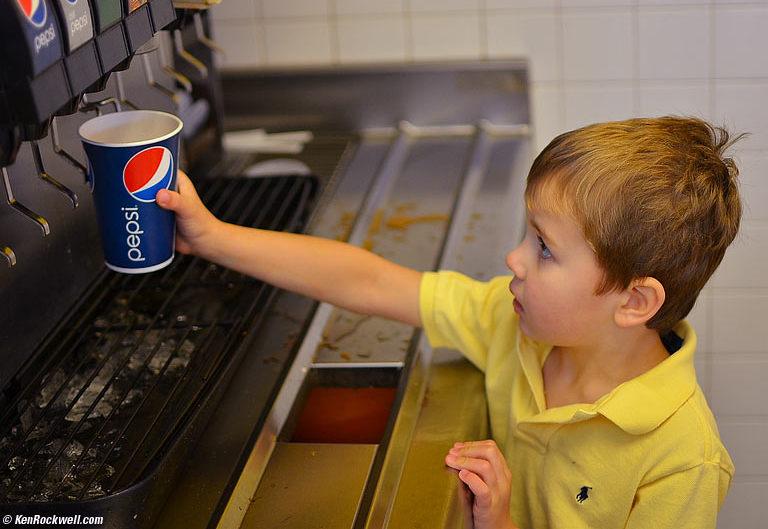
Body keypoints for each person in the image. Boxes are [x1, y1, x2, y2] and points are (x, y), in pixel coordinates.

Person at [156, 116, 742, 529]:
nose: (514, 258)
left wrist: (502, 524)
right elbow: (373, 282)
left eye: (544, 248)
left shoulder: (681, 458)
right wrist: (214, 237)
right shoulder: (516, 328)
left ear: (634, 303)